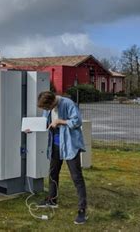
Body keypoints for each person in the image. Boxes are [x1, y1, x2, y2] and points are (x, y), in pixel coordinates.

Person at [37, 91, 88, 225]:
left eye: (48, 108)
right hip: (55, 145)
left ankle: (82, 210)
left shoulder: (68, 103)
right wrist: (32, 128)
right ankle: (52, 200)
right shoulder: (49, 108)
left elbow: (77, 121)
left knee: (77, 177)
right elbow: (45, 122)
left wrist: (60, 121)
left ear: (53, 101)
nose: (47, 110)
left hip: (70, 145)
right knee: (53, 173)